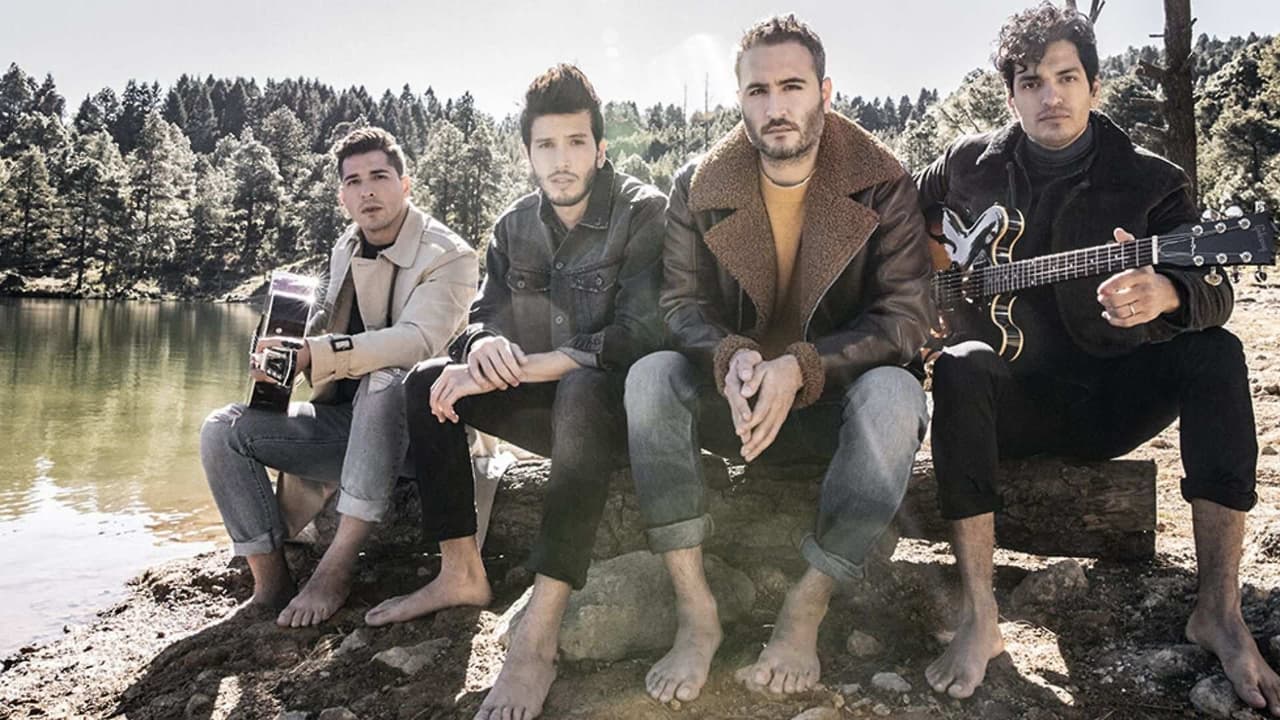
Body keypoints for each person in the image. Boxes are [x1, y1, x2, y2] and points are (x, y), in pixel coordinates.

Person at [915, 4, 1280, 713]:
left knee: (1217, 353)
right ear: (1011, 94)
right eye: (1031, 82)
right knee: (958, 362)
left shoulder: (1150, 181)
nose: (1050, 95)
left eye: (1066, 77)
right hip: (1001, 406)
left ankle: (1219, 611)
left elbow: (1215, 289)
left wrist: (1169, 292)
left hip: (1110, 401)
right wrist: (916, 288)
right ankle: (980, 615)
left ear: (1095, 85)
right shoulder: (964, 164)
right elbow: (895, 214)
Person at [624, 13, 932, 704]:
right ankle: (695, 610)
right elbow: (679, 304)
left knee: (897, 395)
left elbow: (907, 316)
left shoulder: (882, 180)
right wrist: (730, 356)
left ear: (826, 92)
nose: (775, 106)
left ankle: (806, 606)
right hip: (735, 400)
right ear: (740, 99)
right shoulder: (698, 184)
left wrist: (803, 366)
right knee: (649, 378)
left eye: (792, 86)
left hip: (834, 403)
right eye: (757, 91)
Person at [365, 65, 667, 720]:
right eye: (546, 145)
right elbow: (481, 317)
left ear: (600, 148)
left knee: (582, 388)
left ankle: (540, 633)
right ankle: (460, 572)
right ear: (527, 152)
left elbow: (639, 335)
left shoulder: (644, 211)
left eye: (576, 143)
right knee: (427, 383)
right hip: (547, 408)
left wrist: (525, 367)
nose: (561, 161)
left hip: (620, 419)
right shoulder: (512, 226)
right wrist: (481, 348)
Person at [200, 127, 478, 628]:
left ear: (405, 185)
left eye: (379, 177)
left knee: (385, 378)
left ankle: (335, 568)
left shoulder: (450, 255)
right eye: (354, 182)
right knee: (222, 429)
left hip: (425, 434)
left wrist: (318, 353)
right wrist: (278, 346)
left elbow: (416, 342)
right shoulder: (347, 244)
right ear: (342, 196)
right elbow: (324, 316)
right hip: (347, 428)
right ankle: (270, 582)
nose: (367, 191)